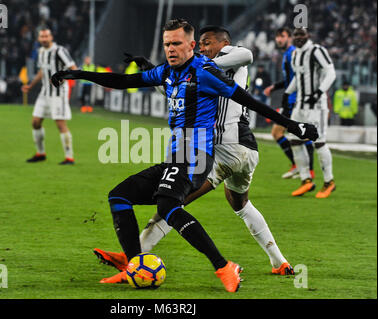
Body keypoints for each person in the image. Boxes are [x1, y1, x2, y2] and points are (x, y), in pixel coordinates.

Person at [51, 19, 318, 292]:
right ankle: (134, 263)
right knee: (120, 196)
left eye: (177, 43)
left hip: (200, 155)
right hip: (179, 156)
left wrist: (293, 125)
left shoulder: (207, 70)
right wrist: (79, 74)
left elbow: (248, 100)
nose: (170, 49)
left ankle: (223, 266)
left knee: (169, 205)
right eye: (167, 44)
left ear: (192, 46)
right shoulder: (168, 72)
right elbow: (125, 81)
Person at [284, 28, 336, 198]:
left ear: (308, 36)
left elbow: (331, 72)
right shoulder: (295, 54)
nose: (299, 38)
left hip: (317, 105)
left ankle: (329, 181)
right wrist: (286, 93)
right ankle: (306, 180)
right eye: (296, 35)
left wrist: (319, 92)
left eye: (302, 35)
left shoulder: (317, 50)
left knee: (319, 142)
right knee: (293, 139)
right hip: (300, 103)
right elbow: (298, 78)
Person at [264, 27, 315, 179]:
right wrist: (274, 87)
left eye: (282, 36)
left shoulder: (293, 53)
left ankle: (307, 169)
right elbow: (289, 80)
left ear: (289, 38)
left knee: (298, 134)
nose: (279, 39)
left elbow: (298, 78)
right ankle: (298, 166)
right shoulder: (287, 54)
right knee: (280, 132)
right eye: (277, 37)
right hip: (291, 99)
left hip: (296, 99)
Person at [21, 28, 78, 165]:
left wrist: (61, 80)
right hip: (44, 92)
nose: (44, 39)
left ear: (51, 37)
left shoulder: (60, 51)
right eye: (42, 37)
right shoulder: (41, 52)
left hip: (59, 93)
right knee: (35, 122)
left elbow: (74, 69)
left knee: (60, 123)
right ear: (39, 39)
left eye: (47, 36)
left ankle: (69, 157)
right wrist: (30, 85)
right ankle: (41, 153)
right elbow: (42, 72)